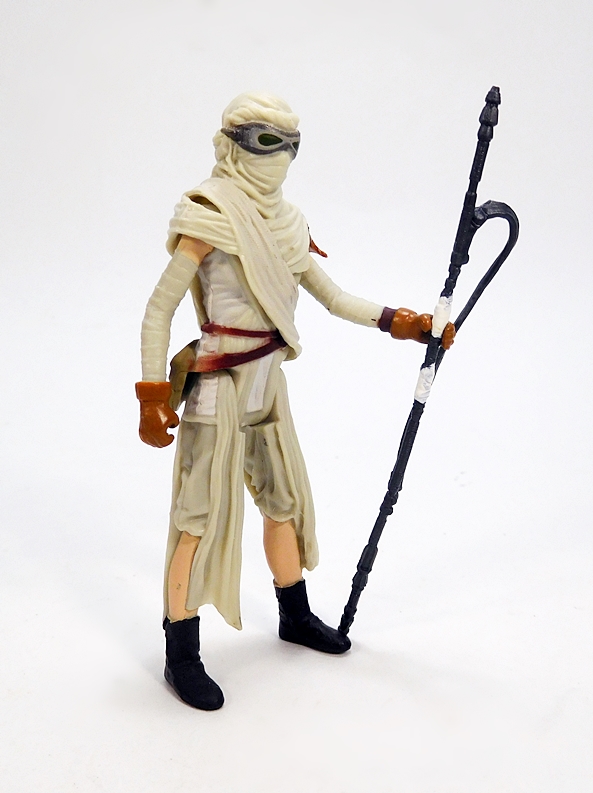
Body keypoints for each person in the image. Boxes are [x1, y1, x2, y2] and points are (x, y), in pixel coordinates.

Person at [136, 92, 454, 711]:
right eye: (266, 140)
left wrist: (404, 322)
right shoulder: (210, 213)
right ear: (233, 143)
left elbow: (333, 297)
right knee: (198, 517)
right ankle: (181, 653)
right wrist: (151, 394)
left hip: (268, 382)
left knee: (283, 501)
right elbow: (159, 308)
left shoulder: (286, 222)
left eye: (290, 144)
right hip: (220, 383)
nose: (279, 155)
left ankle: (294, 614)